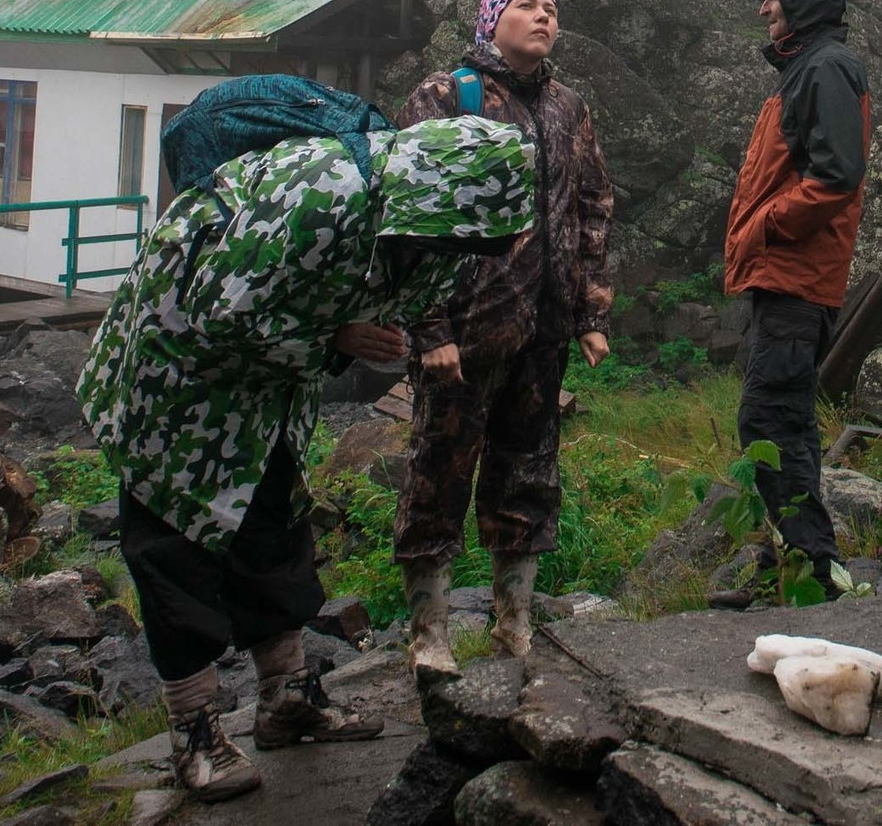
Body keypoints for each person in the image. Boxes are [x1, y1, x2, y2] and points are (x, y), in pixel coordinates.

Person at [78, 109, 537, 803]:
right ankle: (194, 730)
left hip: (266, 380)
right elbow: (222, 311)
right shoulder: (321, 196)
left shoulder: (437, 233)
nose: (469, 251)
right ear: (439, 198)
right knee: (174, 534)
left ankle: (287, 699)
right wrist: (337, 338)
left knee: (273, 512)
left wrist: (358, 332)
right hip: (176, 368)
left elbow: (401, 291)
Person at [392, 0, 615, 673]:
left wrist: (588, 314)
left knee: (529, 475)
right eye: (528, 6)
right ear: (492, 19)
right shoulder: (443, 96)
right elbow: (407, 220)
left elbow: (591, 208)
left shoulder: (567, 107)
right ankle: (429, 633)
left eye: (552, 9)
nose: (544, 16)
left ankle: (513, 624)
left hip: (543, 333)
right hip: (465, 332)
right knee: (439, 473)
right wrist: (429, 331)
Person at [723, 0, 870, 589]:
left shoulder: (825, 69)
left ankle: (814, 564)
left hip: (795, 277)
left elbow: (836, 176)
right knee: (785, 418)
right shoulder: (806, 69)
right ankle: (799, 558)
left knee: (770, 420)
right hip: (786, 277)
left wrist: (768, 228)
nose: (764, 8)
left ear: (803, 3)